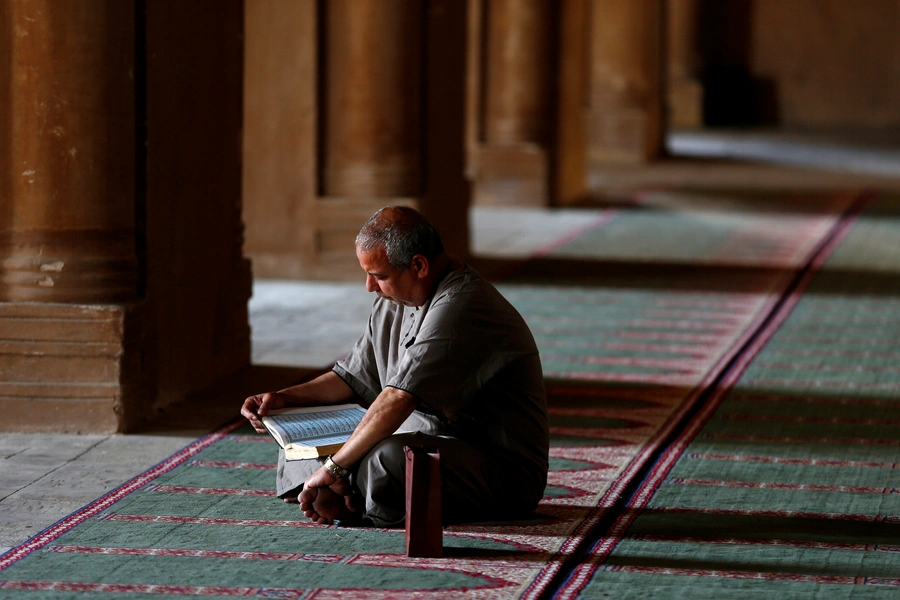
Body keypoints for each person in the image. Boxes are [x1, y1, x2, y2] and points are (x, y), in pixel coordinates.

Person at [241, 205, 548, 527]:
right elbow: (352, 376)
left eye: (379, 276)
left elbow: (399, 398)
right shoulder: (395, 299)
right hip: (417, 438)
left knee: (389, 459)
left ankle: (339, 491)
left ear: (418, 265)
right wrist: (284, 398)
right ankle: (340, 492)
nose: (369, 287)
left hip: (496, 468)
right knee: (303, 439)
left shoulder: (464, 306)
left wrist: (335, 467)